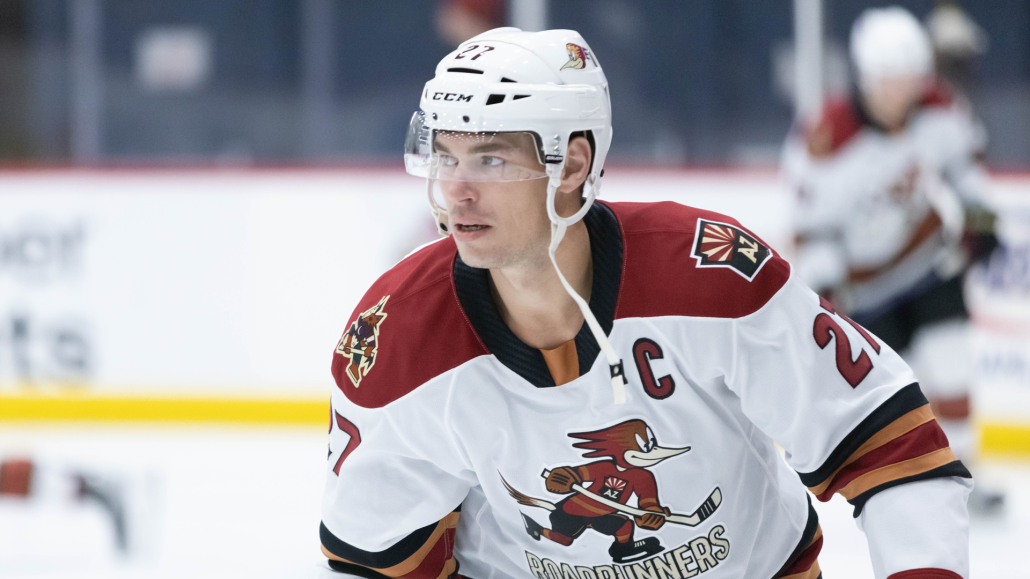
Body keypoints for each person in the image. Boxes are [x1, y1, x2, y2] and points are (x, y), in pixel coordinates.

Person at [320, 28, 972, 579]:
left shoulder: (710, 279)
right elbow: (372, 561)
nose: (455, 192)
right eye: (445, 156)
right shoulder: (394, 344)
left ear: (573, 165)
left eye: (490, 160)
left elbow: (893, 447)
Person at [781, 6, 1001, 514]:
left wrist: (981, 220)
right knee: (895, 394)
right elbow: (813, 228)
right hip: (864, 287)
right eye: (888, 81)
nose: (900, 93)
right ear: (866, 77)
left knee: (952, 364)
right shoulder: (828, 139)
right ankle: (907, 485)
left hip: (926, 263)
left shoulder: (939, 108)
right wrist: (829, 290)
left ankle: (965, 478)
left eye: (908, 80)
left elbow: (963, 168)